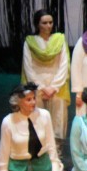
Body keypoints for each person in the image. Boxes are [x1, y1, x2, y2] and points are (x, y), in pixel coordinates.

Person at [22, 9, 70, 140]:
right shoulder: (30, 42)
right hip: (37, 88)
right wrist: (42, 87)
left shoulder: (59, 40)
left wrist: (54, 87)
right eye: (44, 23)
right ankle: (39, 157)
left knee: (58, 123)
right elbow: (28, 67)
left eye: (50, 22)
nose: (48, 26)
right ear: (37, 24)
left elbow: (64, 65)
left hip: (57, 87)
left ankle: (57, 157)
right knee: (37, 123)